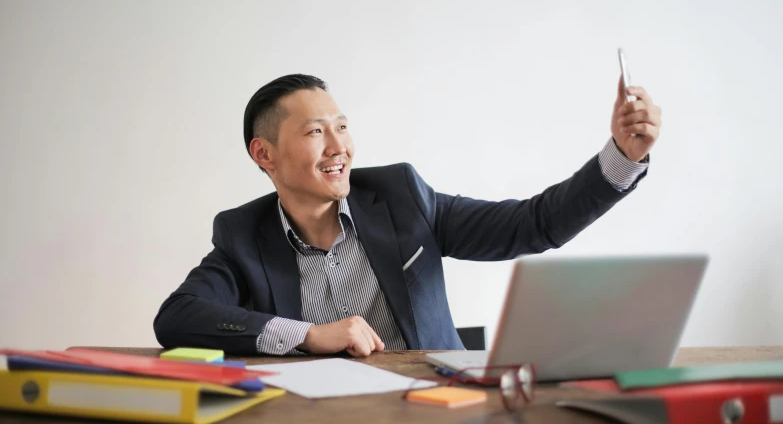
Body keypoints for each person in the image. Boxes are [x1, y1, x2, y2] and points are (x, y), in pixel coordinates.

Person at [153, 74, 661, 357]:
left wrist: (622, 155)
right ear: (264, 155)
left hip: (433, 417)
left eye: (343, 127)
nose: (339, 148)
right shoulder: (243, 235)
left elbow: (533, 224)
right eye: (314, 132)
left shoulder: (401, 198)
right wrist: (308, 334)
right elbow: (177, 316)